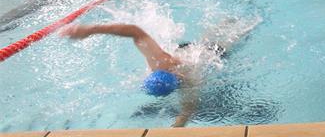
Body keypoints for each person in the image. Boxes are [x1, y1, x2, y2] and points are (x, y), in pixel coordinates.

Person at [60, 19, 254, 127]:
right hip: (185, 50)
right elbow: (135, 32)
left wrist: (176, 127)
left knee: (226, 40)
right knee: (204, 39)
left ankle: (242, 24)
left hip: (212, 54)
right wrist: (91, 30)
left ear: (177, 80)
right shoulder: (157, 62)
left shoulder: (189, 79)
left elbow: (187, 110)